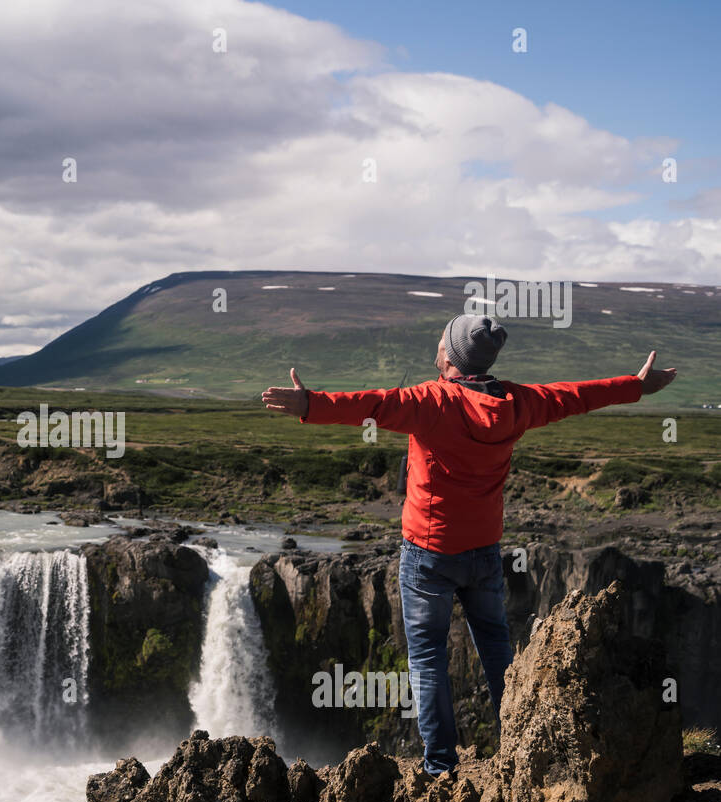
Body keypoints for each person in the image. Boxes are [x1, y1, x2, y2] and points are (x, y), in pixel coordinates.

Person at [261, 313, 677, 774]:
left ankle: (440, 766)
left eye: (441, 342)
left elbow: (371, 405)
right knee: (497, 647)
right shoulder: (519, 402)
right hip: (483, 552)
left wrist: (308, 404)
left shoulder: (429, 401)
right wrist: (635, 386)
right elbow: (575, 396)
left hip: (428, 554)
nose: (436, 347)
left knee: (427, 659)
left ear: (450, 357)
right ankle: (521, 741)